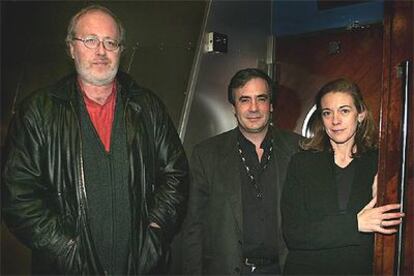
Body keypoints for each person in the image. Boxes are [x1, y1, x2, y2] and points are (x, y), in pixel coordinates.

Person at [1, 5, 189, 275]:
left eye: (110, 42)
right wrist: (65, 249)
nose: (101, 51)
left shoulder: (147, 107)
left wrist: (156, 231)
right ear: (71, 48)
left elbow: (176, 174)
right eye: (90, 40)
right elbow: (18, 196)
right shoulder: (38, 112)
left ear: (120, 51)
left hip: (140, 266)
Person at [182, 68, 301, 275]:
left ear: (271, 105)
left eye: (261, 99)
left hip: (285, 269)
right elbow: (193, 226)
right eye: (245, 100)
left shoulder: (299, 149)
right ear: (234, 108)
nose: (253, 108)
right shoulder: (206, 154)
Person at [281, 78, 405, 275]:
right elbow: (294, 234)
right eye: (327, 113)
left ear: (361, 114)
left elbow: (395, 232)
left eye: (344, 111)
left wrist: (385, 193)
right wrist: (356, 224)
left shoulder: (382, 164)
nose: (335, 120)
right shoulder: (302, 163)